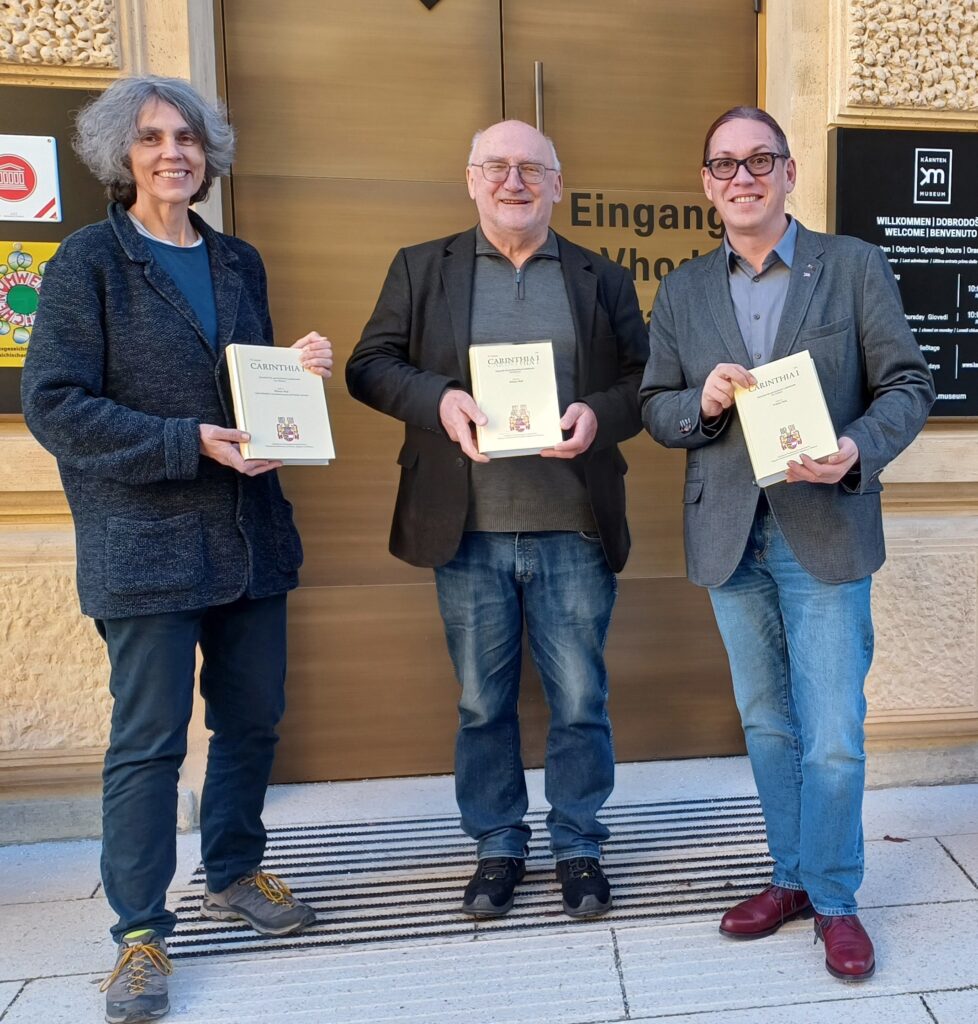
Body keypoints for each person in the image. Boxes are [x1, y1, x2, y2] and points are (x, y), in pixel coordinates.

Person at [21, 76, 332, 1024]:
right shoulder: (90, 262)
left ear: (210, 152)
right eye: (153, 138)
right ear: (123, 154)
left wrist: (296, 379)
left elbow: (252, 399)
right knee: (149, 744)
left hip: (247, 540)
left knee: (252, 722)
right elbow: (54, 404)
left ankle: (235, 870)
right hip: (144, 545)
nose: (174, 154)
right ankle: (139, 932)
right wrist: (183, 440)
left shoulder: (239, 260)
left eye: (188, 138)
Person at [640, 106, 934, 981]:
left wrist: (854, 450)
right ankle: (793, 879)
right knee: (768, 726)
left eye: (759, 160)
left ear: (789, 173)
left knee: (833, 732)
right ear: (706, 184)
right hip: (732, 539)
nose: (743, 177)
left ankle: (837, 899)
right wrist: (703, 403)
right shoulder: (685, 289)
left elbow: (908, 385)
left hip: (826, 530)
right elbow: (656, 407)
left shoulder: (851, 267)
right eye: (724, 164)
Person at [347, 120, 647, 919]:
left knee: (581, 698)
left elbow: (646, 381)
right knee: (483, 702)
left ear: (557, 183)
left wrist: (596, 414)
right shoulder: (423, 268)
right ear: (471, 178)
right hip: (468, 528)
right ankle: (498, 844)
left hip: (573, 524)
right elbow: (369, 365)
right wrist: (437, 399)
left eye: (531, 169)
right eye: (498, 167)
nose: (514, 182)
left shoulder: (598, 275)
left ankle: (579, 843)